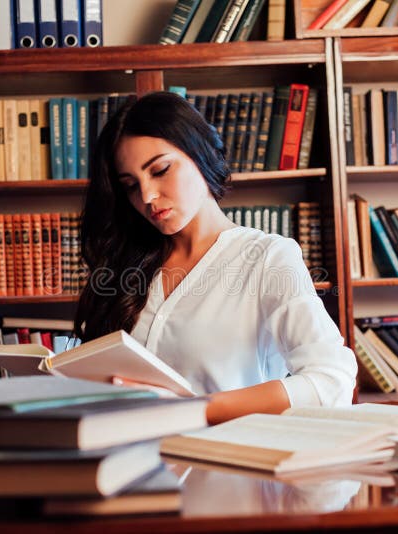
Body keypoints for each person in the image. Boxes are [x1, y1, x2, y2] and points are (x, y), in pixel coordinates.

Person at [74, 91, 356, 424]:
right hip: (131, 469)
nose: (147, 196)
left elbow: (331, 381)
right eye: (131, 185)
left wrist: (196, 408)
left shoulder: (267, 258)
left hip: (230, 468)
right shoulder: (127, 265)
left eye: (160, 170)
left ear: (200, 153)